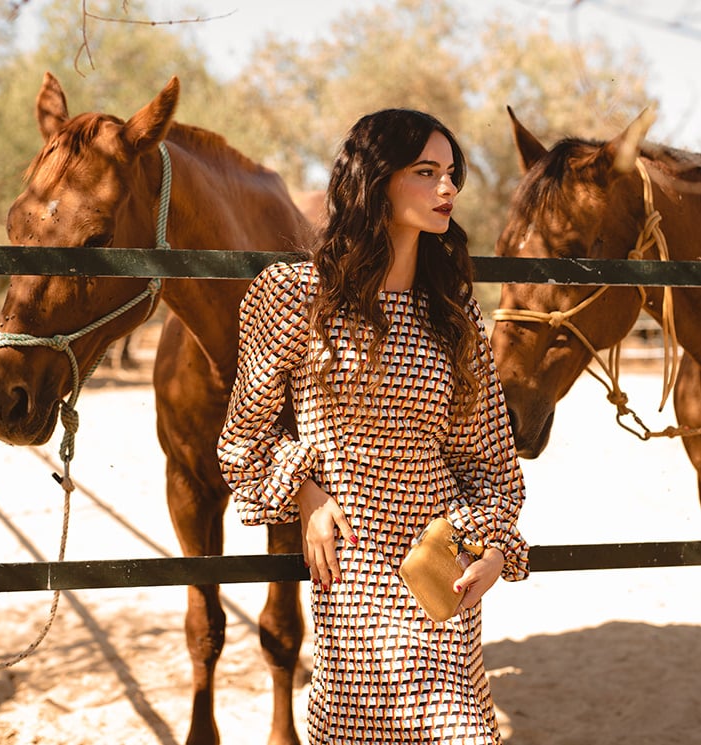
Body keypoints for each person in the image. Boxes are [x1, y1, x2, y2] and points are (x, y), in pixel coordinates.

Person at [217, 108, 529, 744]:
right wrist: (306, 492)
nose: (448, 189)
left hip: (441, 564)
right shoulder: (292, 295)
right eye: (426, 172)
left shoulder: (453, 309)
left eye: (451, 174)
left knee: (464, 732)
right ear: (376, 180)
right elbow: (242, 443)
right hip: (350, 572)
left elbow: (490, 459)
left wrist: (494, 546)